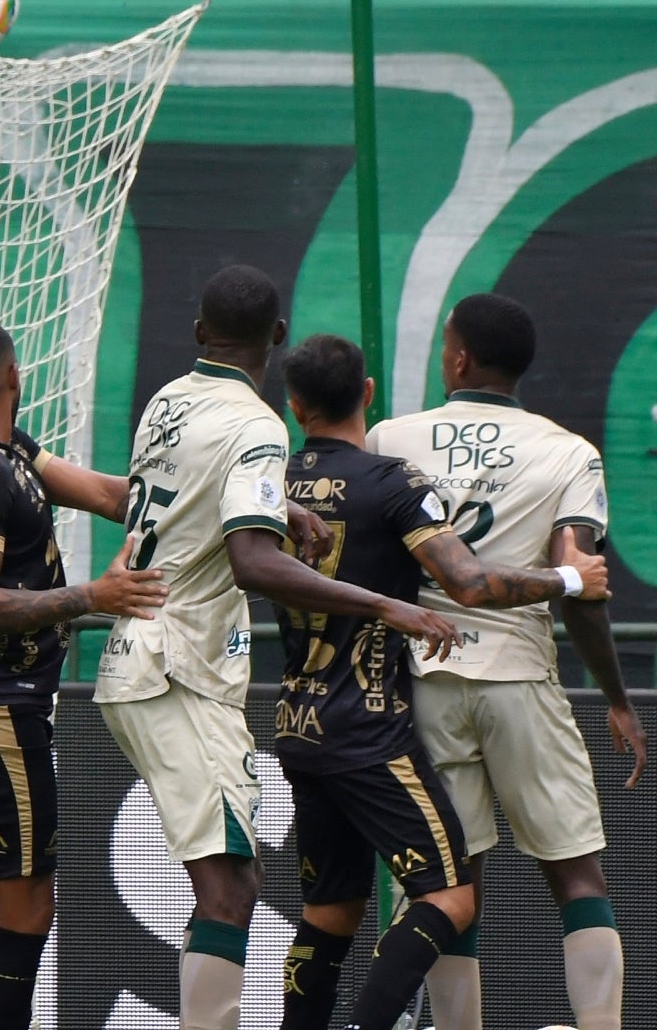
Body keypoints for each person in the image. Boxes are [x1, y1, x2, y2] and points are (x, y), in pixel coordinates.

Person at [89, 266, 460, 1030]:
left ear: (198, 333)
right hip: (179, 668)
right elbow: (251, 564)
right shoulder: (259, 425)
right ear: (277, 336)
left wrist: (280, 501)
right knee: (230, 891)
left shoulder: (168, 398)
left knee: (269, 892)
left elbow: (171, 497)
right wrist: (392, 604)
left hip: (150, 659)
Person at [273, 333, 611, 1030]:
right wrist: (583, 608)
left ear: (294, 403)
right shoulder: (556, 452)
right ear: (364, 394)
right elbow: (492, 578)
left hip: (350, 701)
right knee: (500, 885)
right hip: (423, 701)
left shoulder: (326, 463)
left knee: (350, 907)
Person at [368, 294, 646, 1030]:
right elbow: (580, 588)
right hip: (520, 676)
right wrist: (616, 698)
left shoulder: (390, 438)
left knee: (450, 878)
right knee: (576, 871)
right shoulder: (568, 452)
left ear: (458, 359)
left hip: (423, 677)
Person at [0, 318, 170, 1030]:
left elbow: (115, 498)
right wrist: (92, 596)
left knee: (6, 911)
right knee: (24, 916)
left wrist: (228, 499)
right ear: (16, 379)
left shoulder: (5, 450)